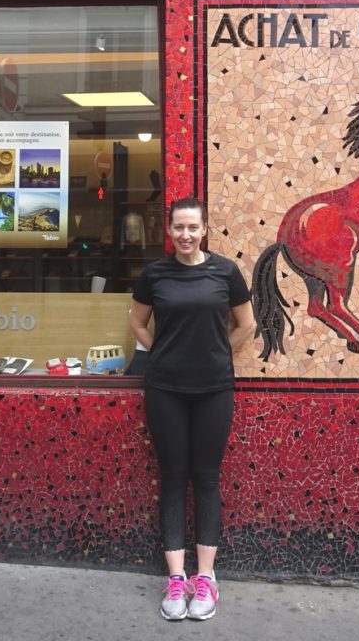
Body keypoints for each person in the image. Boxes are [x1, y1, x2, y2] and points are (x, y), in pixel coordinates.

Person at [128, 196, 256, 621]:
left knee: (205, 479)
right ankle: (176, 579)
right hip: (164, 388)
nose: (185, 235)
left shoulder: (225, 271)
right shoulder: (155, 274)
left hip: (213, 389)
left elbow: (247, 325)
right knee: (171, 478)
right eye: (178, 227)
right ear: (169, 230)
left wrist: (220, 354)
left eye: (193, 228)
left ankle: (206, 579)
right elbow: (137, 324)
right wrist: (161, 352)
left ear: (204, 229)